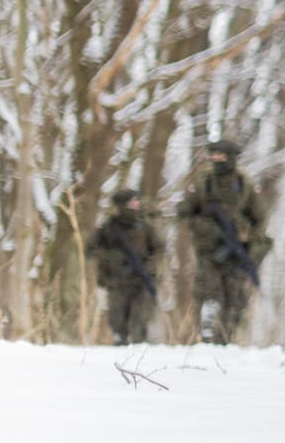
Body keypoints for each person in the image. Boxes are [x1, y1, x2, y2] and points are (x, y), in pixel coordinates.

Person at [178, 139, 271, 344]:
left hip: (236, 251)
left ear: (232, 158)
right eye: (214, 155)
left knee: (234, 296)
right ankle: (207, 333)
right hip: (207, 250)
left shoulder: (245, 184)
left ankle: (226, 339)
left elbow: (260, 218)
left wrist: (248, 238)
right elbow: (184, 213)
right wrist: (206, 228)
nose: (217, 159)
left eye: (221, 156)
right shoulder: (203, 182)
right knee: (209, 290)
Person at [90, 189, 163, 345]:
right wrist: (112, 257)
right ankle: (120, 347)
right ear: (122, 205)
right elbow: (92, 249)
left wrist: (152, 267)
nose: (136, 204)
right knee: (118, 322)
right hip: (116, 281)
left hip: (140, 280)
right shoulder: (108, 228)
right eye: (132, 202)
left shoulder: (144, 227)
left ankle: (140, 347)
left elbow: (158, 249)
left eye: (137, 201)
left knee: (140, 320)